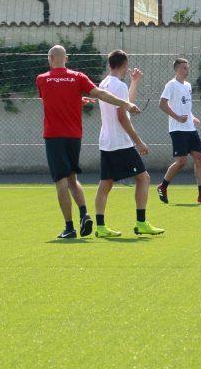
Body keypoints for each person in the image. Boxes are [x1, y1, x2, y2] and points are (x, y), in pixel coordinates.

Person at [36, 45, 140, 239]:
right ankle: (84, 214)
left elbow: (51, 100)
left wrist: (74, 100)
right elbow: (100, 94)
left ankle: (69, 227)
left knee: (60, 181)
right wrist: (125, 103)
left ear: (50, 58)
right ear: (66, 59)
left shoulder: (42, 79)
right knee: (72, 178)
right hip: (74, 136)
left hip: (54, 136)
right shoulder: (78, 77)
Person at [94, 50, 164, 237]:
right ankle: (141, 223)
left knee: (105, 184)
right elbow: (123, 117)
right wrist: (139, 142)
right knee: (144, 178)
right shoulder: (118, 85)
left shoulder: (104, 83)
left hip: (107, 142)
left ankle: (100, 227)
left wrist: (134, 82)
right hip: (120, 143)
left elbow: (126, 104)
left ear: (110, 65)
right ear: (124, 65)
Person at [156, 58, 201, 204]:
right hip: (177, 129)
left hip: (190, 128)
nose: (187, 70)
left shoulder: (188, 86)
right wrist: (177, 117)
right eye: (184, 68)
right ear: (177, 69)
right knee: (182, 161)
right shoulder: (171, 85)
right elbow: (162, 104)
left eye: (187, 67)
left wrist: (192, 117)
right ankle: (162, 186)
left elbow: (186, 107)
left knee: (199, 158)